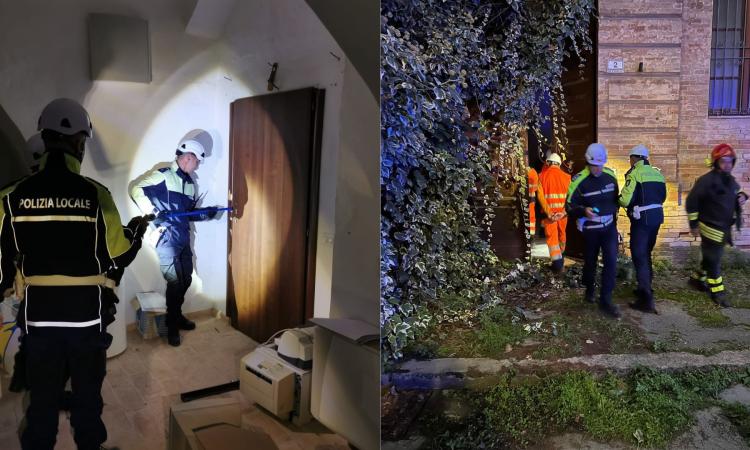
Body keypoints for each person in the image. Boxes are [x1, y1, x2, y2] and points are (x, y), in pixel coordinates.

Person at [0, 98, 146, 449]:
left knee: (42, 405)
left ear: (45, 138)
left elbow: (3, 263)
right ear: (79, 142)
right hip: (85, 321)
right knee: (87, 403)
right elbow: (120, 251)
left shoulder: (12, 197)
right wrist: (137, 232)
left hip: (40, 321)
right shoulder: (96, 195)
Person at [130, 131, 221, 346]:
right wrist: (152, 211)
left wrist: (206, 212)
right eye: (197, 161)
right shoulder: (163, 175)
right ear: (188, 157)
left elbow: (188, 213)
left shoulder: (190, 184)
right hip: (165, 238)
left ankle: (177, 315)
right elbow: (136, 189)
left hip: (183, 237)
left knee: (186, 279)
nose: (197, 166)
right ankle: (171, 326)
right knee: (174, 282)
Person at [686, 143, 747, 307]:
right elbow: (691, 202)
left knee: (709, 256)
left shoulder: (730, 180)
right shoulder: (706, 181)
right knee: (714, 260)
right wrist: (693, 225)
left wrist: (742, 196)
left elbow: (737, 191)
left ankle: (696, 280)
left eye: (730, 161)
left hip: (724, 227)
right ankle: (717, 292)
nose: (727, 164)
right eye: (723, 161)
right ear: (716, 162)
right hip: (710, 227)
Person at [566, 143, 621, 318]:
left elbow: (615, 201)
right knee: (590, 263)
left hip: (609, 229)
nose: (597, 169)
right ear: (588, 162)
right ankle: (589, 288)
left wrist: (614, 219)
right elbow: (568, 206)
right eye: (593, 165)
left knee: (611, 262)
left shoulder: (611, 177)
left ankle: (606, 300)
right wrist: (583, 211)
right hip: (591, 230)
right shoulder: (579, 181)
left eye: (600, 165)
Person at [618, 144, 666, 314]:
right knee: (646, 253)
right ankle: (645, 287)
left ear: (634, 158)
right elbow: (663, 196)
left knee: (639, 256)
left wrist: (617, 200)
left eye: (630, 158)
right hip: (656, 218)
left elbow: (624, 200)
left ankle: (646, 299)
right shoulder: (657, 173)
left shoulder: (635, 173)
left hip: (641, 220)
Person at [539, 152, 571, 273]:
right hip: (562, 216)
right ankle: (561, 260)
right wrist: (563, 212)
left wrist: (549, 214)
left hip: (550, 217)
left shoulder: (541, 176)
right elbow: (570, 198)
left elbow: (541, 198)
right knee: (562, 236)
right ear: (559, 164)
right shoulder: (567, 178)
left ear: (548, 162)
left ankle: (557, 265)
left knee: (552, 241)